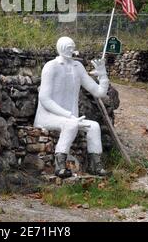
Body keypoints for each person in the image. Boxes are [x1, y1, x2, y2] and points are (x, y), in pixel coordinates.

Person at [34, 36, 109, 178]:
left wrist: (103, 75)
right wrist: (68, 115)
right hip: (48, 117)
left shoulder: (77, 67)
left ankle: (96, 166)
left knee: (94, 126)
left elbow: (99, 92)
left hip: (72, 118)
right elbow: (44, 99)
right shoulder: (51, 66)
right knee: (71, 124)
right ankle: (60, 166)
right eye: (68, 47)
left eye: (72, 47)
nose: (71, 50)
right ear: (60, 47)